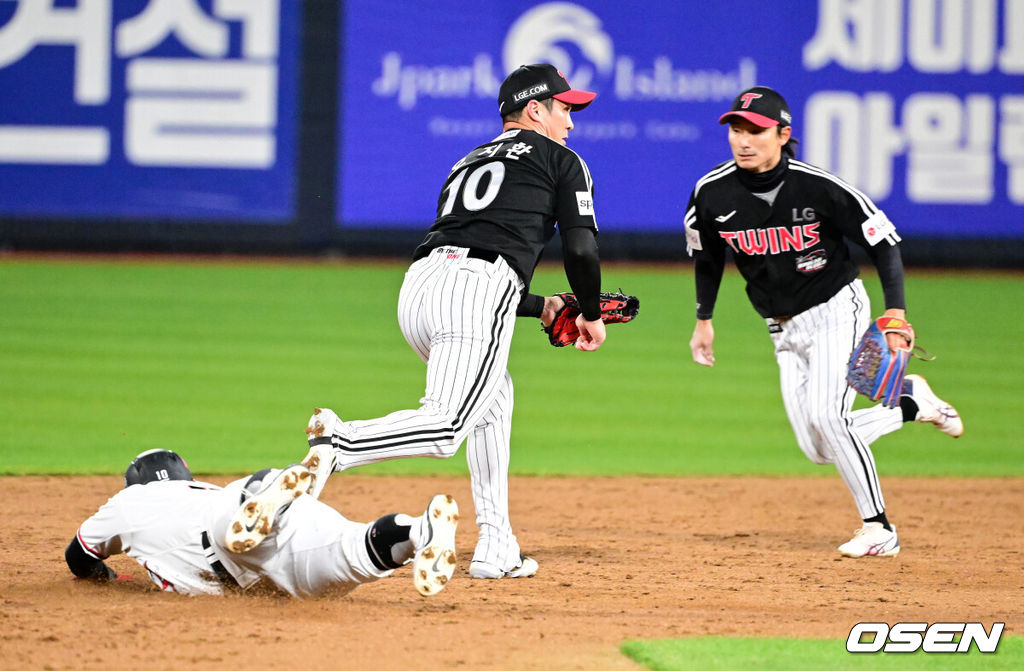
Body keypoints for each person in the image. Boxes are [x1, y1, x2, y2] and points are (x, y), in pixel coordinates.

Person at [302, 63, 606, 580]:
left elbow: (474, 248)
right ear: (536, 109)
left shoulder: (466, 161)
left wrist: (543, 306)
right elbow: (580, 246)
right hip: (476, 289)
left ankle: (497, 545)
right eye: (565, 108)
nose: (571, 122)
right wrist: (591, 312)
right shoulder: (562, 159)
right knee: (447, 424)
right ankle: (341, 441)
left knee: (494, 396)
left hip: (420, 287)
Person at [684, 86, 964, 558]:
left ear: (783, 134)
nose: (743, 139)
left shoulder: (820, 187)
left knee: (829, 417)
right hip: (781, 328)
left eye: (755, 129)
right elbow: (707, 257)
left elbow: (884, 243)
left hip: (838, 309)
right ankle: (911, 403)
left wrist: (895, 310)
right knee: (819, 447)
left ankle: (879, 527)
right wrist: (703, 318)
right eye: (736, 128)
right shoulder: (712, 193)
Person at [65, 448, 459, 597]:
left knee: (233, 525)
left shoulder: (129, 501)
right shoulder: (200, 490)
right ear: (184, 472)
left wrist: (108, 579)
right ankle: (419, 530)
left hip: (225, 543)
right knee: (358, 550)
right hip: (265, 545)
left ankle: (270, 493)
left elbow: (78, 556)